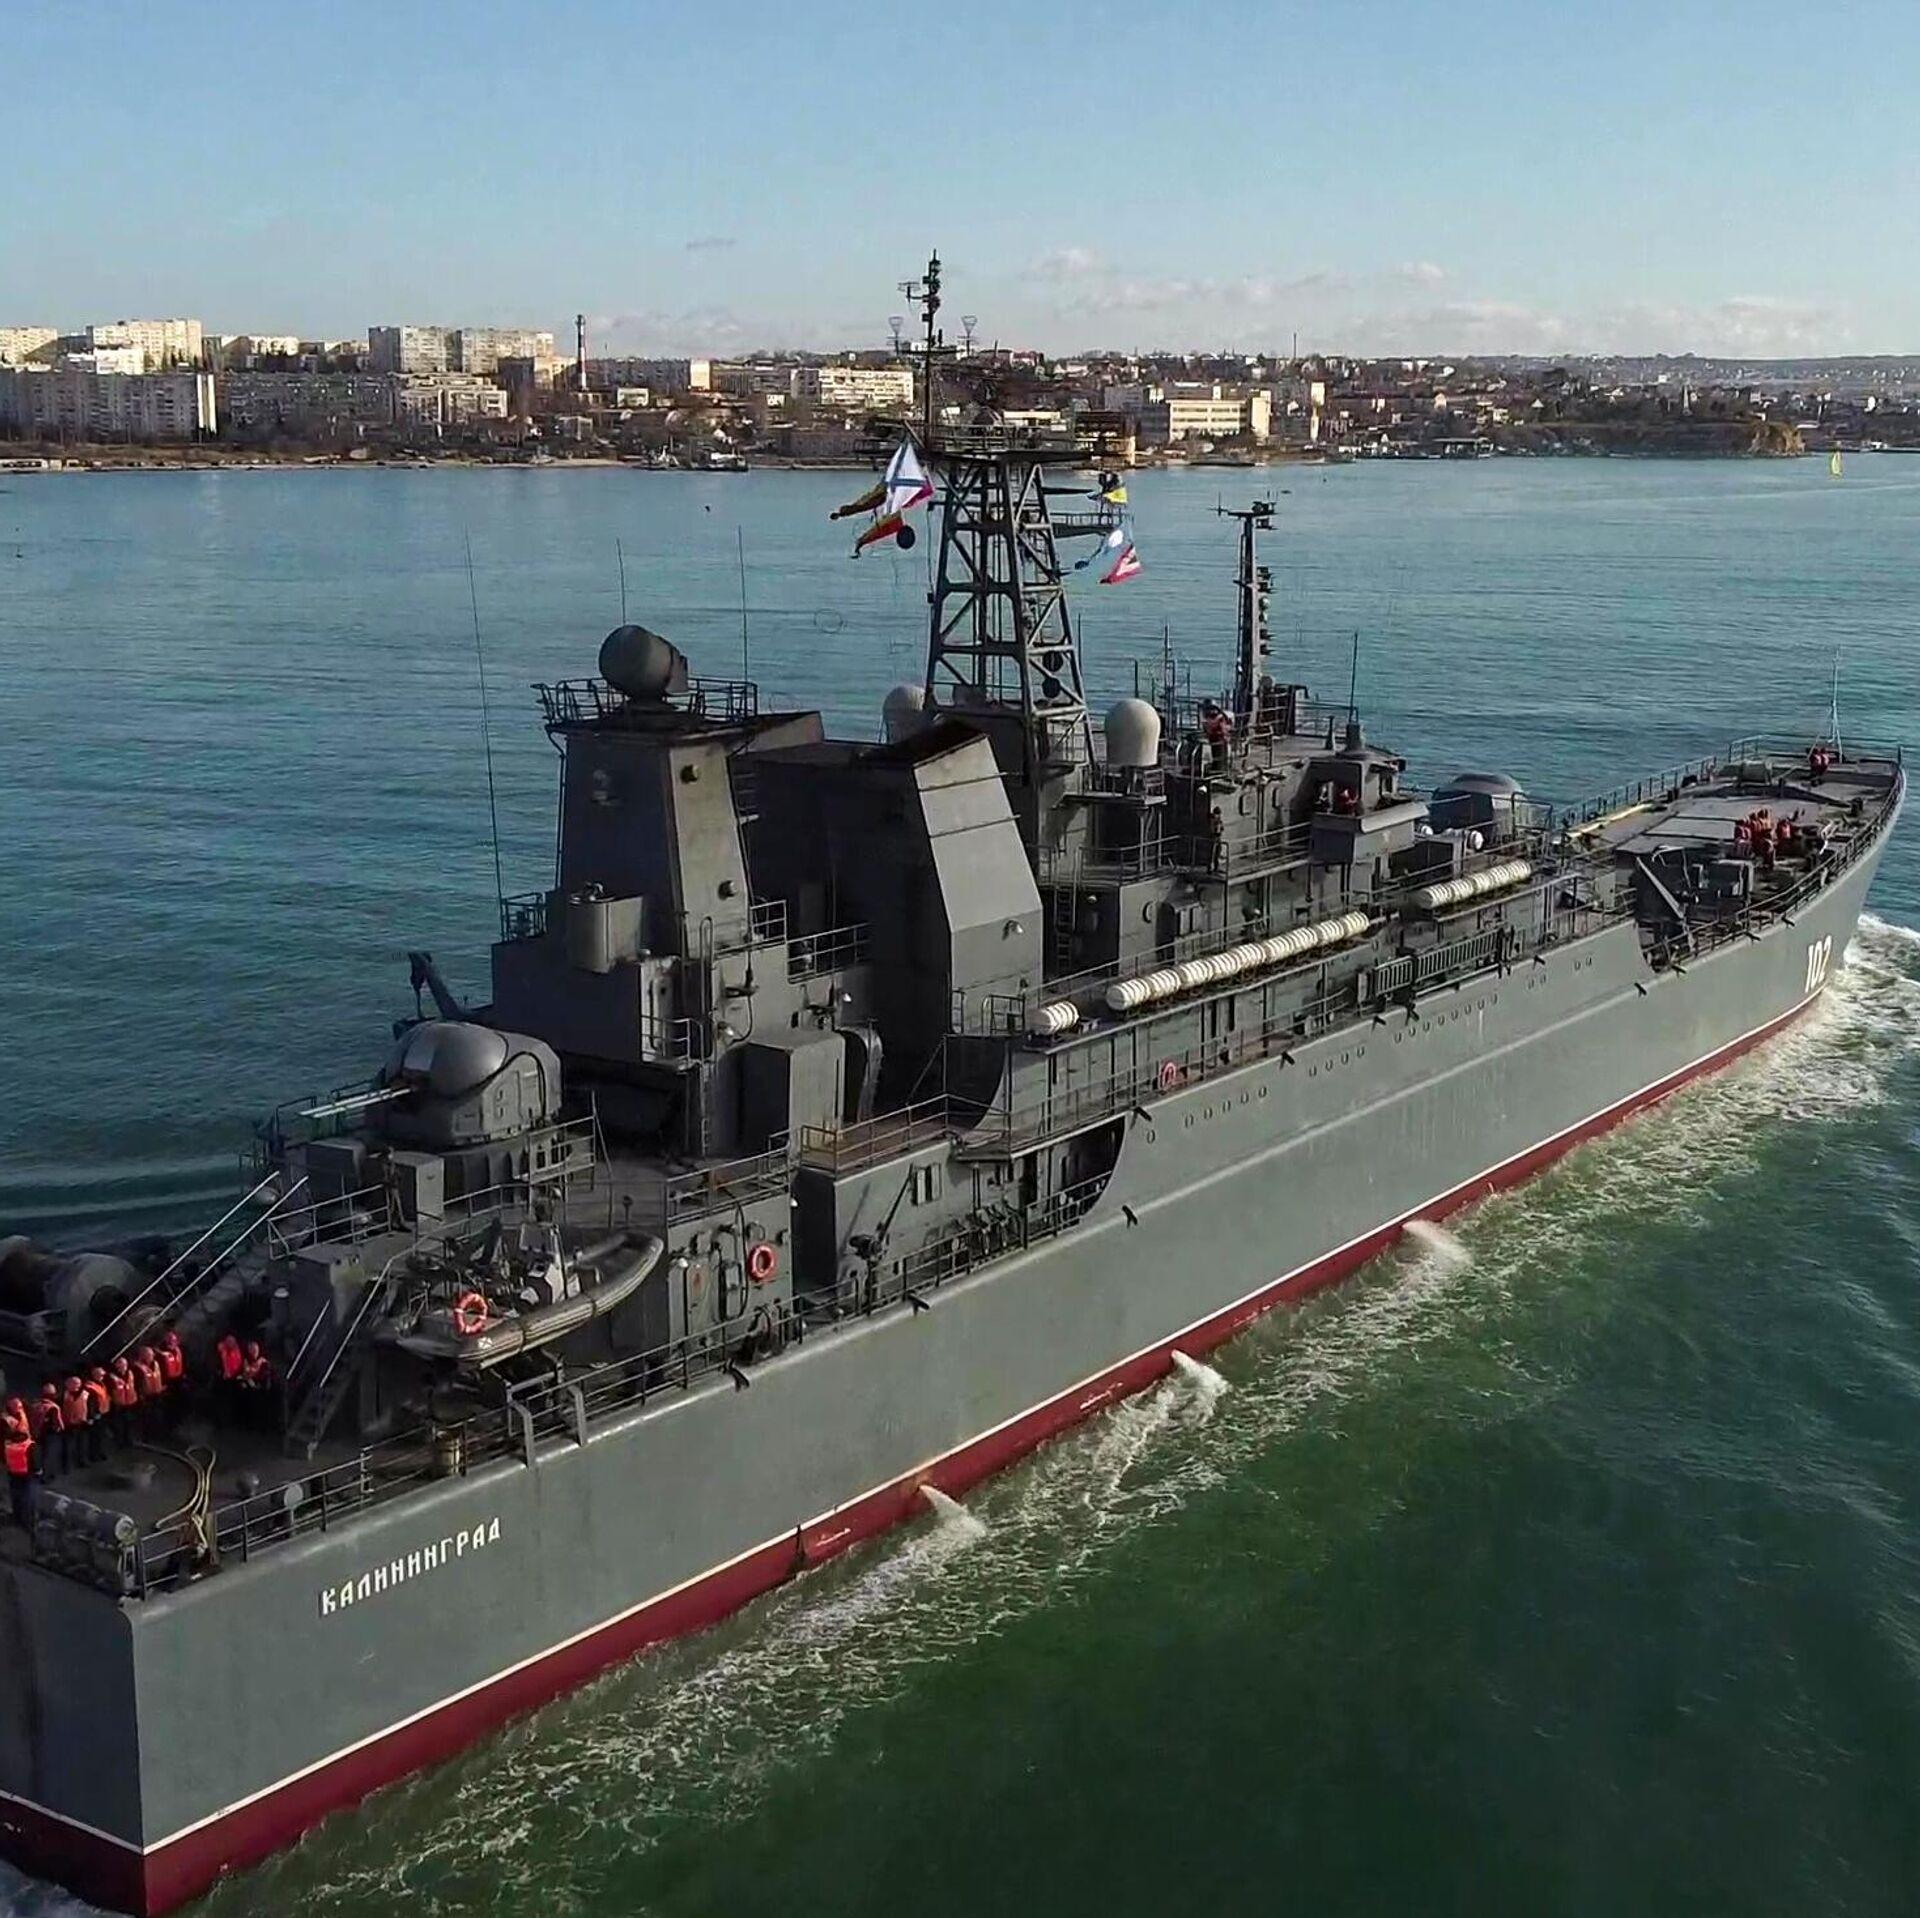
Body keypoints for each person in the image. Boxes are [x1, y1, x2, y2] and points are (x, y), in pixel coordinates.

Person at [30, 1381, 66, 1478]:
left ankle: (38, 1470)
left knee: (39, 1452)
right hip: (50, 1434)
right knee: (49, 1454)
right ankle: (47, 1475)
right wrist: (60, 1429)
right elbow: (57, 1423)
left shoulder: (35, 1405)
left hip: (37, 1432)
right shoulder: (53, 1407)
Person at [3, 1420, 33, 1529]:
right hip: (25, 1474)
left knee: (15, 1496)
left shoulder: (8, 1445)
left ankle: (16, 1517)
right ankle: (25, 1520)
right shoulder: (28, 1446)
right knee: (26, 1497)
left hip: (13, 1473)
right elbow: (33, 1460)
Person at [133, 1345, 166, 1442]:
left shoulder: (155, 1364)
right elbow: (136, 1384)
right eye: (149, 1355)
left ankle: (158, 1434)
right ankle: (147, 1437)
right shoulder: (137, 1368)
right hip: (146, 1397)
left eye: (152, 1355)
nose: (152, 1357)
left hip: (157, 1394)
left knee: (158, 1415)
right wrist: (140, 1396)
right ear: (143, 1356)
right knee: (147, 1418)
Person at [60, 1375, 93, 1470]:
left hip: (82, 1423)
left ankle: (82, 1461)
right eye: (73, 1383)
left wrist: (90, 1418)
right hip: (69, 1424)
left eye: (78, 1383)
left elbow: (91, 1406)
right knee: (68, 1446)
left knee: (82, 1444)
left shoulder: (86, 1394)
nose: (76, 1385)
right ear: (67, 1384)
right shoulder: (63, 1395)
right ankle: (67, 1465)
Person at [107, 1356, 139, 1449]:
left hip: (130, 1403)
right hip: (118, 1405)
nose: (123, 1367)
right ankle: (120, 1442)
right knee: (119, 1425)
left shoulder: (130, 1373)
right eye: (120, 1365)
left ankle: (129, 1440)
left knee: (129, 1423)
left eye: (124, 1365)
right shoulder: (111, 1377)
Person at [83, 1369, 112, 1461]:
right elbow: (89, 1403)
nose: (102, 1377)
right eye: (100, 1375)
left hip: (103, 1412)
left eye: (103, 1375)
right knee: (94, 1437)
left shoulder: (101, 1384)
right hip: (96, 1415)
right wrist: (91, 1416)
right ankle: (93, 1455)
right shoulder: (89, 1386)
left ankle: (101, 1452)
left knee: (102, 1435)